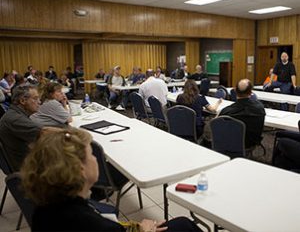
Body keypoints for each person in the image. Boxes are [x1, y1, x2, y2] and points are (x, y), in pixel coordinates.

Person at [21, 126, 203, 232]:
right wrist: (144, 229)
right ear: (79, 169)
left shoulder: (44, 209)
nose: (96, 159)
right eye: (91, 155)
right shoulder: (92, 224)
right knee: (185, 225)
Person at [0, 85, 41, 171]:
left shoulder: (15, 114)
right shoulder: (15, 118)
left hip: (28, 162)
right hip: (28, 169)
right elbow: (44, 133)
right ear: (22, 101)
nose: (39, 102)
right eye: (35, 98)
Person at [219, 79, 266, 149]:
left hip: (228, 143)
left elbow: (216, 125)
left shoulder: (226, 111)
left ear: (235, 91)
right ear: (251, 92)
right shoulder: (260, 108)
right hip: (249, 143)